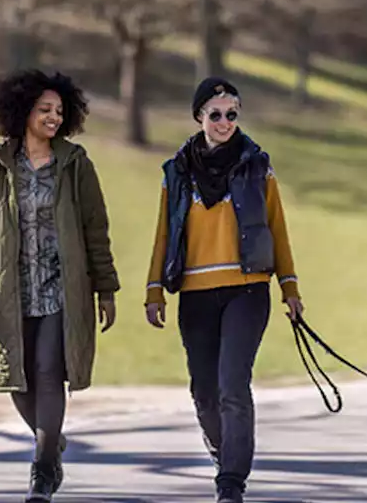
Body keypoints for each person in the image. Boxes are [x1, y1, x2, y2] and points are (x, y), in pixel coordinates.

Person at [144, 76, 305, 503]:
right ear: (199, 116)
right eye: (215, 114)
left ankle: (231, 481)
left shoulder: (257, 165)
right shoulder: (175, 172)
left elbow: (278, 229)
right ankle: (223, 454)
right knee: (203, 392)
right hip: (194, 294)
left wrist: (290, 287)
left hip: (247, 290)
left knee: (233, 384)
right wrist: (154, 288)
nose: (224, 121)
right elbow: (164, 233)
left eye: (232, 114)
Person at [0, 69, 120, 502]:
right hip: (12, 290)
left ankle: (43, 472)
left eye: (59, 111)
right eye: (44, 109)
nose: (53, 117)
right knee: (18, 380)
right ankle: (50, 442)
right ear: (22, 111)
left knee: (49, 374)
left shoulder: (76, 164)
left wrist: (105, 288)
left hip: (62, 289)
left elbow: (95, 229)